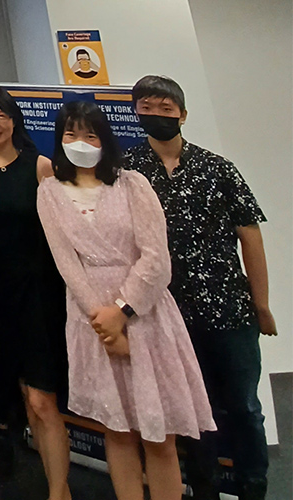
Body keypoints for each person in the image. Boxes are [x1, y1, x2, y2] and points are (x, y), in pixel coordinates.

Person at [36, 100, 215, 500]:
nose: (79, 142)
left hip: (145, 317)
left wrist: (122, 311)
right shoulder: (49, 191)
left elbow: (156, 259)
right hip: (91, 321)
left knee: (159, 435)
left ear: (105, 139)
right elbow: (67, 263)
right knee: (116, 432)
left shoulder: (132, 183)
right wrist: (102, 320)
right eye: (70, 133)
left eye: (89, 134)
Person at [123, 75, 275, 500]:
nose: (156, 116)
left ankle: (253, 483)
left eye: (166, 110)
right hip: (167, 314)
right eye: (147, 108)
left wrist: (261, 304)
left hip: (230, 308)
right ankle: (203, 486)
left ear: (183, 115)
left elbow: (251, 236)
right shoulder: (127, 172)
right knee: (190, 409)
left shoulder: (218, 168)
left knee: (244, 406)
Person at [0, 85, 69, 495]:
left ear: (14, 118)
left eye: (0, 115)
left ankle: (60, 490)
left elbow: (62, 236)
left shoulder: (41, 166)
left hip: (40, 293)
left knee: (42, 397)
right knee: (14, 392)